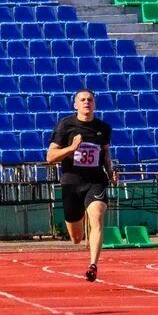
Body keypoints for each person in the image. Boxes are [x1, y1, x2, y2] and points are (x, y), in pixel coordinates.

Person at [46, 89, 116, 282]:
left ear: (95, 104)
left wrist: (111, 171)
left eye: (90, 100)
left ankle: (93, 265)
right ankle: (80, 221)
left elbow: (106, 156)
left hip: (95, 181)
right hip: (71, 182)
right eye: (82, 100)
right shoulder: (65, 126)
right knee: (76, 238)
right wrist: (71, 148)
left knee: (97, 217)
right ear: (75, 104)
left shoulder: (103, 128)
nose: (87, 102)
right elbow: (50, 157)